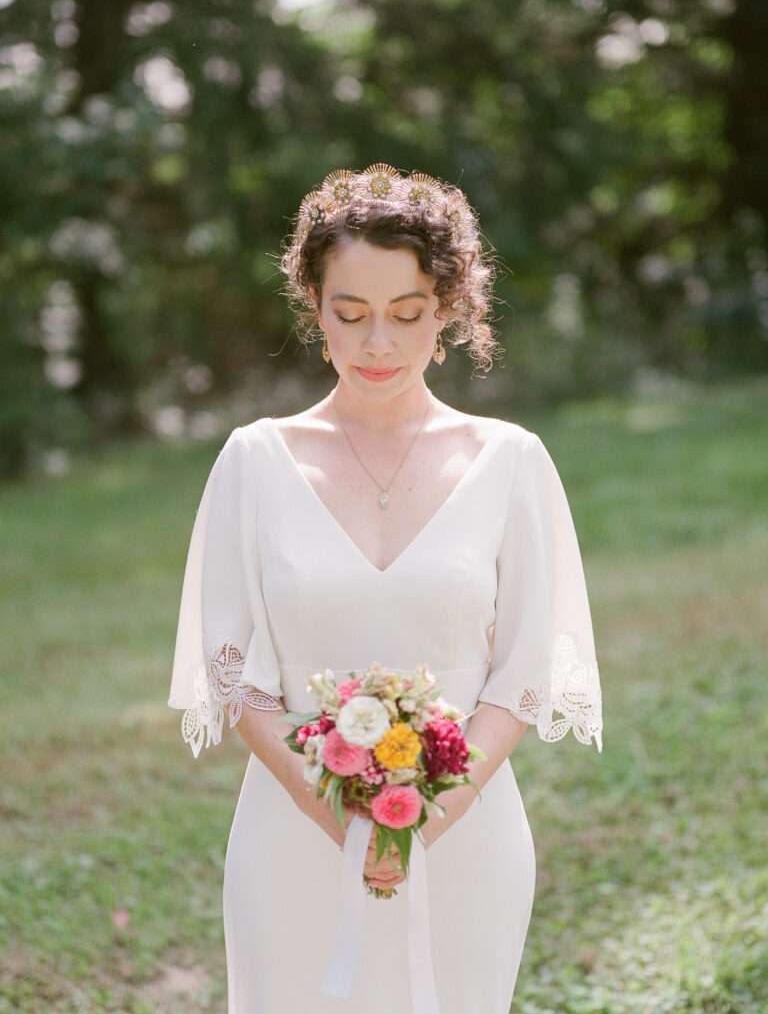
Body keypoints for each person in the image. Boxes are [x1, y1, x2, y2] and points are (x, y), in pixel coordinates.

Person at [167, 163, 603, 1014]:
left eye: (406, 315)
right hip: (291, 834)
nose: (377, 344)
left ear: (447, 310)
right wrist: (341, 817)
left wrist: (421, 821)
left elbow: (521, 670)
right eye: (350, 314)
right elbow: (232, 671)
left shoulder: (510, 462)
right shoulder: (255, 462)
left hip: (465, 838)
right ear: (314, 308)